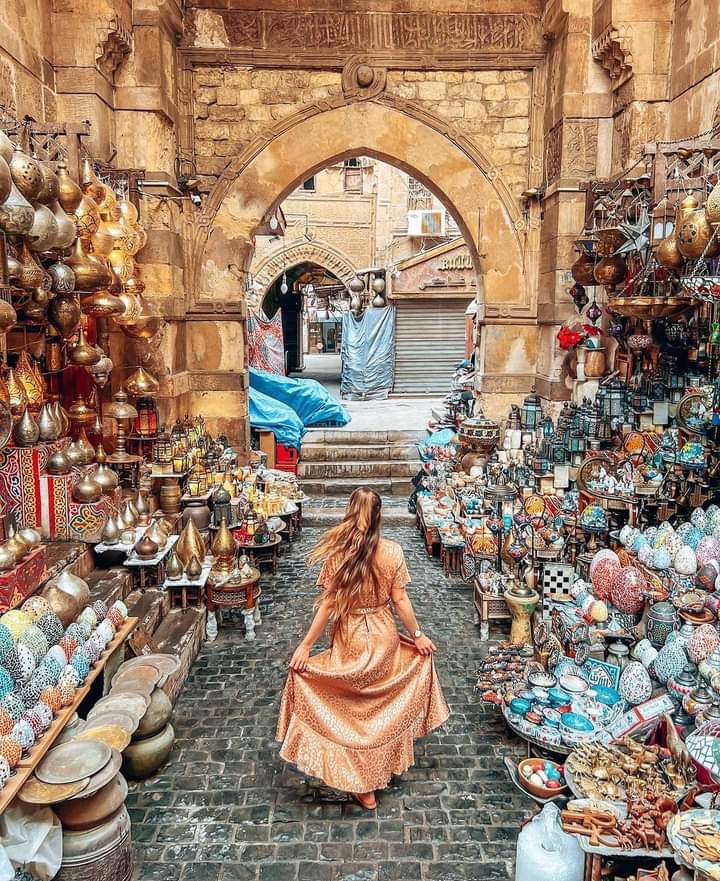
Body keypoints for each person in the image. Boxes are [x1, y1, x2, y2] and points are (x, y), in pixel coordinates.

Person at [276, 488, 449, 810]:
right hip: (383, 638)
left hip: (350, 637)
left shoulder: (338, 555)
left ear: (349, 513)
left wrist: (305, 647)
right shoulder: (393, 552)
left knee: (351, 708)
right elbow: (400, 601)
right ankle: (371, 776)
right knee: (378, 708)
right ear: (379, 516)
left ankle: (359, 780)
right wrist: (418, 634)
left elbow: (327, 606)